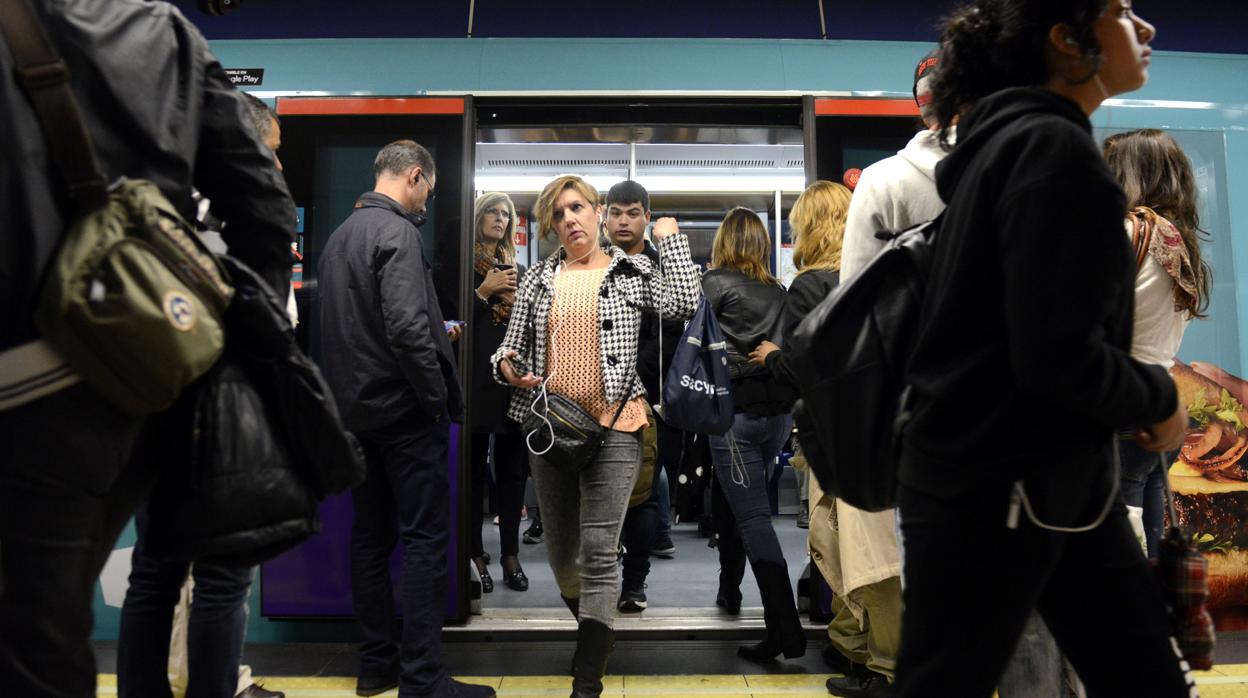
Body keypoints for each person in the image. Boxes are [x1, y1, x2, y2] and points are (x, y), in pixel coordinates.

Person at [894, 2, 1196, 696]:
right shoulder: (1056, 156)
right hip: (1001, 487)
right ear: (1066, 41)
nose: (1145, 29)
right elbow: (1056, 354)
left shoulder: (1000, 150)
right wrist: (1160, 398)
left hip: (1036, 482)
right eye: (1121, 12)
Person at [0, 2, 296, 696]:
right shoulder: (160, 31)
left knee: (133, 582)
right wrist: (228, 351)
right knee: (47, 626)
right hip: (126, 380)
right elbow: (263, 204)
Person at [493, 175, 700, 697]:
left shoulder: (631, 269)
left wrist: (670, 238)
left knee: (600, 548)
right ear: (552, 225)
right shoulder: (539, 278)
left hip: (616, 426)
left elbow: (682, 302)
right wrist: (508, 366)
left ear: (599, 212)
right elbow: (506, 349)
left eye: (578, 208)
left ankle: (588, 673)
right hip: (552, 431)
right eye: (559, 214)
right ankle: (596, 625)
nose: (570, 220)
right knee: (564, 556)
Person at [117, 93, 287, 698]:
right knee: (221, 578)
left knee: (153, 572)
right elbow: (266, 320)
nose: (277, 167)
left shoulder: (156, 196)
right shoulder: (246, 210)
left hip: (149, 400)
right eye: (271, 152)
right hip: (222, 411)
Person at [318, 141, 489, 698]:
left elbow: (361, 329)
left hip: (354, 414)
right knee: (423, 542)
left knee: (369, 539)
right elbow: (408, 330)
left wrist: (438, 334)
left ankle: (376, 666)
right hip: (404, 415)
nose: (424, 206)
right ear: (414, 176)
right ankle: (423, 678)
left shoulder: (339, 237)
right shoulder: (398, 234)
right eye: (427, 194)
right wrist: (437, 400)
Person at [701, 207, 805, 664]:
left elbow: (693, 340)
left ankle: (784, 629)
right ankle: (739, 596)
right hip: (776, 418)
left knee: (754, 521)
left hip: (733, 416)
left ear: (724, 242)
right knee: (750, 510)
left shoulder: (715, 285)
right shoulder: (780, 290)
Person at [1103, 128, 1212, 557]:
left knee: (1114, 542)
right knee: (1148, 536)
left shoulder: (1124, 231)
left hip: (1120, 398)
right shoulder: (1175, 237)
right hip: (1161, 394)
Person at [603, 180, 686, 613]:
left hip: (649, 400)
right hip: (597, 401)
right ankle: (601, 579)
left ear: (646, 218)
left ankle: (634, 581)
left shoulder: (661, 270)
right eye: (616, 212)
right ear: (604, 215)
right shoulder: (593, 267)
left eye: (632, 212)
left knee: (645, 496)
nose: (623, 221)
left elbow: (676, 325)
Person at [468, 192, 529, 594]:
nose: (500, 219)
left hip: (510, 382)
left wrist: (513, 297)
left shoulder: (517, 270)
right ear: (479, 217)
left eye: (505, 214)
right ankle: (473, 553)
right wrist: (484, 292)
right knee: (471, 471)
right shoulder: (463, 264)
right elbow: (448, 323)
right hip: (472, 381)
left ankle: (510, 555)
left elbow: (526, 329)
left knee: (512, 472)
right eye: (492, 211)